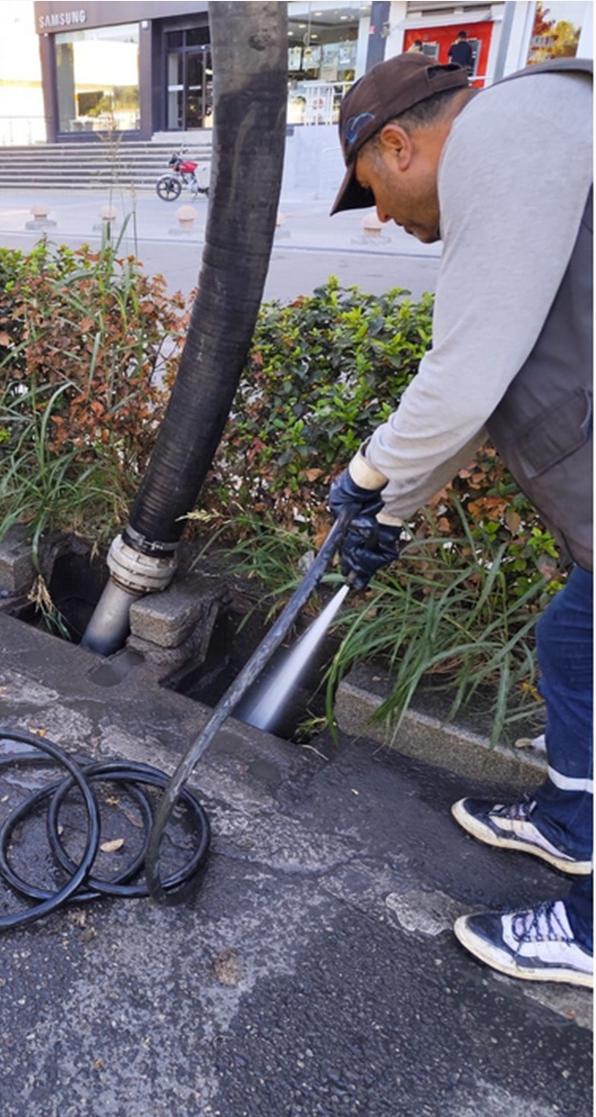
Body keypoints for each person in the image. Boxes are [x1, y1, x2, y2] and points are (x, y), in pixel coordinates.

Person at [326, 52, 593, 988]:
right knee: (575, 636)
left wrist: (366, 480)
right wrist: (391, 509)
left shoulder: (506, 134)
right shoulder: (542, 135)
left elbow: (464, 371)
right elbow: (492, 383)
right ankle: (576, 822)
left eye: (376, 194)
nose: (388, 222)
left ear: (398, 143)